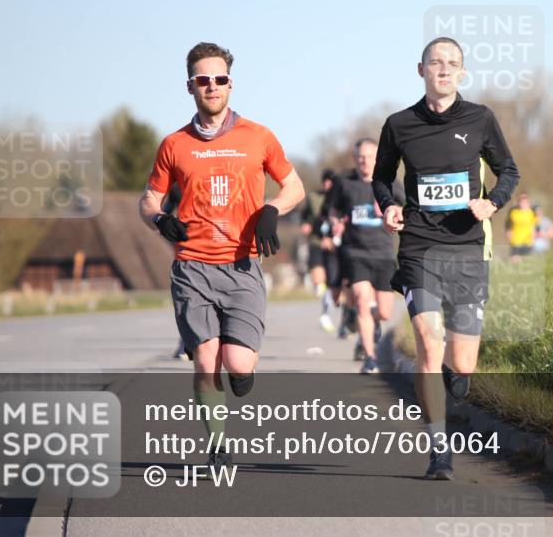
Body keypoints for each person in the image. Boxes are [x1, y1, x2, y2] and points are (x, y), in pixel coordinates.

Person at [139, 42, 305, 472]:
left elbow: (295, 188)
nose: (212, 86)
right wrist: (159, 220)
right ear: (190, 86)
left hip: (242, 265)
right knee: (205, 357)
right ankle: (218, 444)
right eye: (203, 80)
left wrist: (272, 210)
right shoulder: (174, 144)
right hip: (192, 265)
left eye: (220, 79)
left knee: (238, 363)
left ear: (231, 84)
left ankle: (243, 373)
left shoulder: (258, 136)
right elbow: (149, 199)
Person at [373, 36, 519, 480]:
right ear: (420, 70)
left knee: (463, 362)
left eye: (452, 63)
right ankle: (439, 450)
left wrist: (491, 203)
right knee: (428, 342)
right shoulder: (399, 124)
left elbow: (508, 170)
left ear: (463, 72)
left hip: (467, 246)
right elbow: (382, 178)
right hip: (419, 246)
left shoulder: (480, 119)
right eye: (435, 62)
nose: (443, 69)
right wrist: (389, 207)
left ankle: (459, 376)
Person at [331, 139, 405, 373]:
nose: (365, 160)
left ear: (378, 158)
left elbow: (408, 207)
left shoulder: (389, 182)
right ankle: (370, 357)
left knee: (383, 312)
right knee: (363, 301)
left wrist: (392, 210)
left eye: (370, 156)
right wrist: (335, 224)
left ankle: (368, 323)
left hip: (383, 253)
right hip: (356, 253)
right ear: (355, 159)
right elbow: (333, 210)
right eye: (360, 156)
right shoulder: (345, 183)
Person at [301, 168, 343, 332]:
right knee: (320, 281)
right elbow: (307, 216)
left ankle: (338, 315)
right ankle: (321, 288)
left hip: (338, 244)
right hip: (317, 241)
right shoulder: (314, 198)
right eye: (325, 180)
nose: (328, 184)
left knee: (337, 288)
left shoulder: (342, 196)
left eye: (331, 181)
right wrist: (306, 225)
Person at [505, 193, 536, 261]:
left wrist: (533, 240)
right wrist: (509, 237)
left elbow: (533, 227)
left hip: (527, 241)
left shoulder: (531, 213)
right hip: (515, 241)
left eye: (525, 202)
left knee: (525, 262)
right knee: (515, 261)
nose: (523, 203)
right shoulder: (513, 212)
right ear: (519, 202)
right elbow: (508, 226)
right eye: (522, 201)